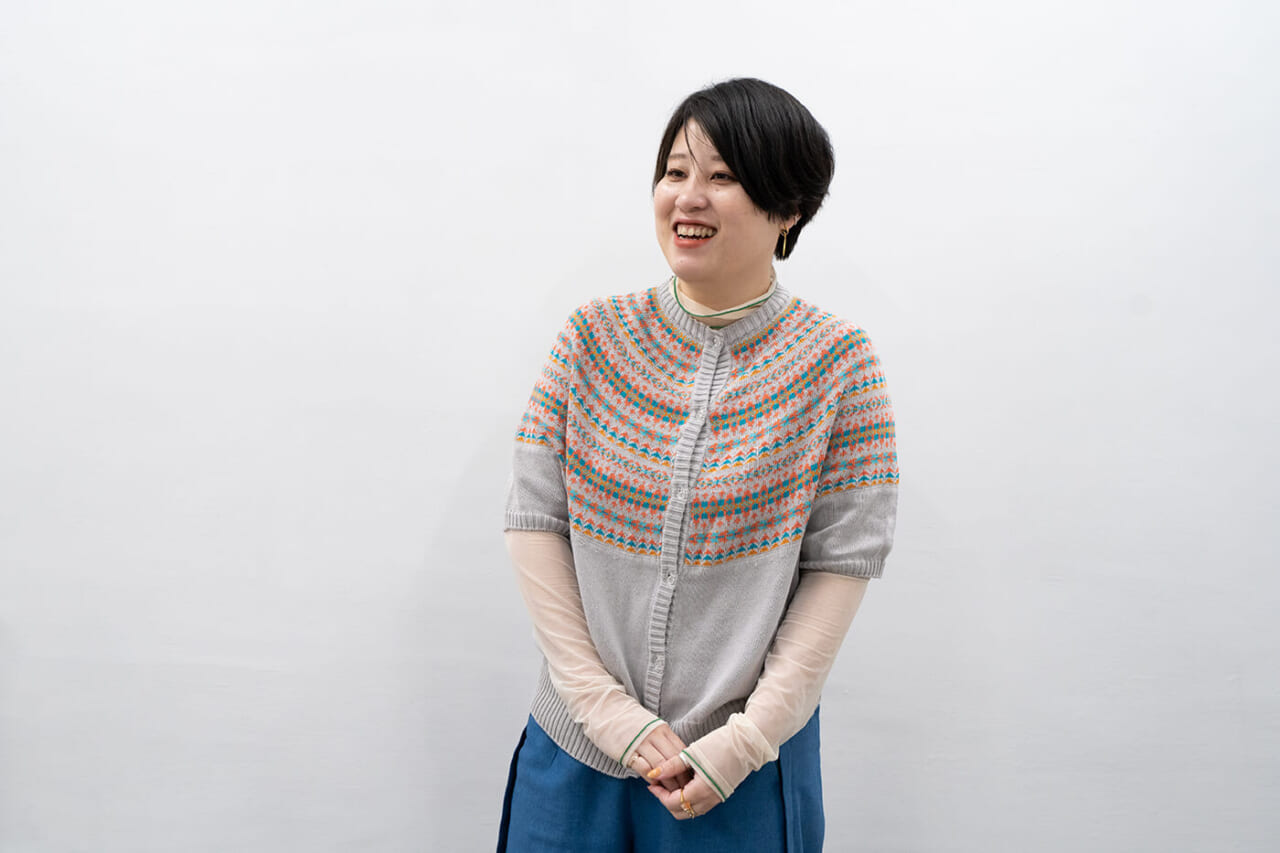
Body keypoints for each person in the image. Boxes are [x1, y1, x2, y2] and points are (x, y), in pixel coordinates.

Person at [497, 77, 899, 852]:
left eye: (723, 176)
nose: (688, 196)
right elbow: (534, 521)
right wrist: (603, 708)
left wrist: (745, 741)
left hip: (737, 771)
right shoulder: (591, 337)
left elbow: (840, 567)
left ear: (789, 207)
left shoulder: (839, 364)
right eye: (675, 171)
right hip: (575, 751)